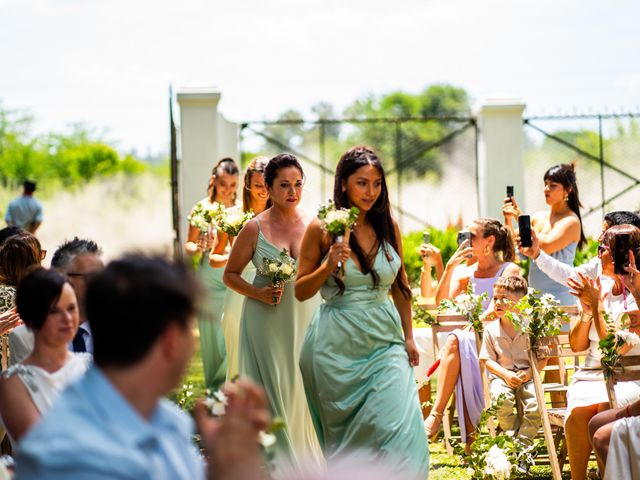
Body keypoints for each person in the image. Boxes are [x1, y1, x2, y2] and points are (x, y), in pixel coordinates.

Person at [13, 255, 271, 480]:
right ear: (171, 340)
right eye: (190, 328)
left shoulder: (170, 421)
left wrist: (226, 466)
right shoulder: (70, 457)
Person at [296, 145, 429, 478]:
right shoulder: (321, 229)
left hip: (385, 341)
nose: (371, 192)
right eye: (362, 183)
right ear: (343, 184)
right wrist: (328, 265)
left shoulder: (389, 227)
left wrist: (409, 337)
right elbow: (300, 291)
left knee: (401, 430)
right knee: (351, 444)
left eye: (377, 183)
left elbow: (400, 287)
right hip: (336, 346)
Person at [224, 153, 321, 473]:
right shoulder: (254, 228)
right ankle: (273, 465)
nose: (292, 191)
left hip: (306, 314)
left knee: (303, 387)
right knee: (273, 389)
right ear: (267, 187)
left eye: (297, 184)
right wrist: (257, 292)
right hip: (264, 320)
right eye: (284, 185)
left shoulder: (313, 224)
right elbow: (231, 274)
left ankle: (306, 463)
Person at [425, 218, 520, 448]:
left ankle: (437, 417)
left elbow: (512, 310)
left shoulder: (509, 269)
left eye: (472, 236)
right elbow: (442, 302)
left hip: (500, 343)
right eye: (464, 235)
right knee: (461, 343)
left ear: (489, 240)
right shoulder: (466, 273)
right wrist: (449, 267)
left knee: (458, 342)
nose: (466, 241)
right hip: (471, 343)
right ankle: (467, 440)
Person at [563, 224, 640, 480]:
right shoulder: (599, 287)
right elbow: (576, 345)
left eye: (602, 249)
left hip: (629, 374)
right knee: (578, 412)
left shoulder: (637, 292)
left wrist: (595, 304)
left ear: (623, 253)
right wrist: (586, 310)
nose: (597, 255)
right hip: (591, 372)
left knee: (601, 408)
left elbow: (613, 350)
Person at [0, 268, 91, 444]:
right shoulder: (14, 383)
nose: (67, 318)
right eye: (54, 311)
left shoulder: (88, 364)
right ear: (32, 318)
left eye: (71, 308)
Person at [212, 157, 270, 380]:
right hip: (238, 289)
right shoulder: (232, 216)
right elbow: (214, 257)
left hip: (269, 287)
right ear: (247, 185)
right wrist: (236, 255)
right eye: (258, 185)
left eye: (267, 185)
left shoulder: (278, 217)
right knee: (238, 356)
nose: (263, 191)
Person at [184, 158, 239, 390]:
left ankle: (232, 386)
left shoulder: (240, 210)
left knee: (232, 332)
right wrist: (198, 247)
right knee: (212, 337)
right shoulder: (202, 208)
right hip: (208, 277)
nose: (228, 189)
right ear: (214, 181)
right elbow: (188, 243)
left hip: (233, 276)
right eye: (224, 183)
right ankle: (215, 391)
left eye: (233, 185)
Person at [8, 237, 104, 365]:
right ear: (60, 277)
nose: (102, 283)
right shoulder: (26, 337)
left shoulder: (117, 330)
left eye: (103, 276)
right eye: (92, 277)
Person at [504, 163, 585, 305]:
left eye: (553, 185)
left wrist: (521, 219)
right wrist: (509, 219)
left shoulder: (571, 221)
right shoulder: (538, 218)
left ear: (568, 189)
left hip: (562, 297)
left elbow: (546, 245)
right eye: (545, 184)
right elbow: (515, 253)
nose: (546, 189)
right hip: (535, 297)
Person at [479, 276, 542, 451]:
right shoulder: (491, 329)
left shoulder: (532, 328)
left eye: (504, 299)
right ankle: (514, 439)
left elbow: (542, 357)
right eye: (495, 298)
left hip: (527, 376)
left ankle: (524, 443)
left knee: (536, 405)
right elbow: (486, 359)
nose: (498, 302)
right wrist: (505, 375)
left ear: (521, 303)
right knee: (501, 400)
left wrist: (529, 373)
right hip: (502, 376)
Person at [518, 210, 640, 292]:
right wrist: (537, 255)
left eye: (605, 234)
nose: (599, 238)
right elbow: (571, 276)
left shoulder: (635, 283)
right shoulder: (599, 262)